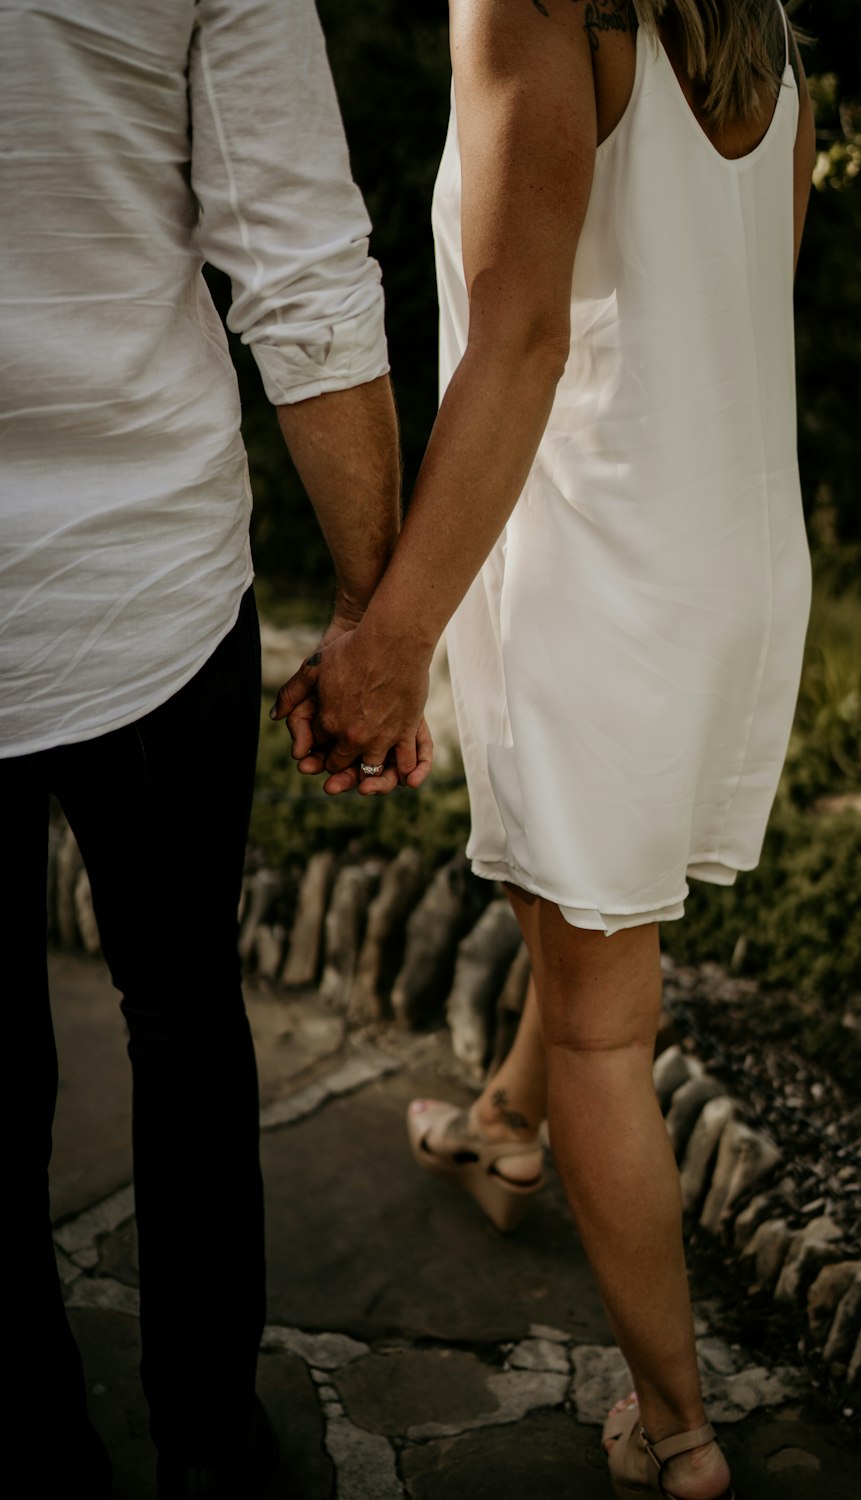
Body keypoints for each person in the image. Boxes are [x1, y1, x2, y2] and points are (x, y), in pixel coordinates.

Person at [275, 0, 814, 1494]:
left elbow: (521, 334)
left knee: (606, 1026)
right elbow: (731, 302)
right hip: (736, 556)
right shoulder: (764, 32)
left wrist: (387, 642)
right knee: (589, 923)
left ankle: (678, 1428)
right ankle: (506, 1125)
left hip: (601, 573)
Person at [0, 1, 414, 1494]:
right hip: (149, 576)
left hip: (148, 584)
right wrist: (375, 622)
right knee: (183, 1019)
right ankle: (209, 1451)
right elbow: (300, 267)